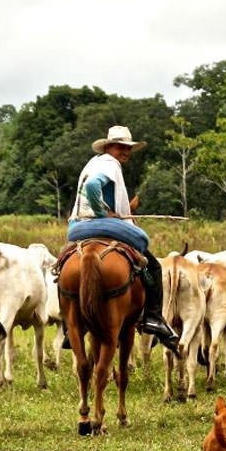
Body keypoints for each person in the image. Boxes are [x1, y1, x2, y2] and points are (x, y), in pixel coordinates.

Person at [64, 125, 180, 355]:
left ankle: (69, 325)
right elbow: (92, 186)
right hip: (100, 223)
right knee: (152, 263)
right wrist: (102, 213)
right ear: (108, 147)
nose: (125, 152)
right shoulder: (109, 164)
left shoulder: (93, 162)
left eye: (128, 148)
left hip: (77, 227)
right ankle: (153, 317)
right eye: (121, 147)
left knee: (63, 265)